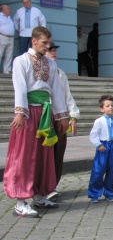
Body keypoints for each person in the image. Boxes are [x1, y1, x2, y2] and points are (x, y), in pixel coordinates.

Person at [3, 26, 69, 217]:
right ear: (34, 41)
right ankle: (20, 201)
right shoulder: (21, 61)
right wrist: (20, 112)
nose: (48, 46)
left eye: (49, 43)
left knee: (44, 154)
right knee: (24, 155)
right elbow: (20, 87)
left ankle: (39, 195)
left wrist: (62, 116)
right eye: (44, 43)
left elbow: (56, 90)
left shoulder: (51, 64)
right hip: (29, 111)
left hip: (45, 112)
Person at [45, 41, 80, 200]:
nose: (53, 53)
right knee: (45, 155)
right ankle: (42, 186)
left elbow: (68, 97)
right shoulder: (40, 72)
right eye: (49, 50)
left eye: (54, 50)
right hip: (44, 119)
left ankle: (52, 185)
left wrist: (73, 116)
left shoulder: (60, 74)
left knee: (58, 154)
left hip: (60, 118)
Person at [88, 95, 113, 203]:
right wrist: (98, 144)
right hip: (103, 147)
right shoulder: (99, 121)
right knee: (98, 170)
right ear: (102, 109)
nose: (111, 107)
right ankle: (94, 193)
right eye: (107, 106)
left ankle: (109, 192)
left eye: (112, 105)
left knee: (112, 171)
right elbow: (93, 135)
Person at [0, 4, 15, 73]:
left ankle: (6, 70)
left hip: (10, 38)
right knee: (0, 53)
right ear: (3, 10)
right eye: (8, 8)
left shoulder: (9, 17)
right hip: (2, 37)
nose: (10, 9)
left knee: (9, 54)